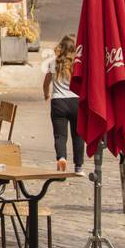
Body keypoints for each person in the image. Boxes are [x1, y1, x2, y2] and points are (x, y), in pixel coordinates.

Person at [43, 35, 85, 173]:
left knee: (60, 135)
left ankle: (61, 157)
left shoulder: (53, 62)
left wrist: (47, 94)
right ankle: (78, 167)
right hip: (76, 101)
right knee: (78, 135)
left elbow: (46, 82)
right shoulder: (79, 63)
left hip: (58, 102)